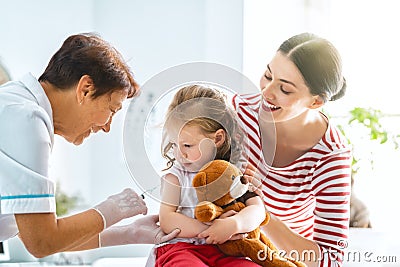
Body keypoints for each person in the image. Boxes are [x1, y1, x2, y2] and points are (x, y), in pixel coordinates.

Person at [0, 33, 179, 258]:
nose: (107, 127)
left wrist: (130, 233)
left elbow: (32, 230)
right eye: (112, 110)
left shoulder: (16, 105)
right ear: (85, 89)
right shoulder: (27, 119)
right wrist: (112, 210)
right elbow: (41, 241)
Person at [232, 33, 352, 267]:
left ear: (315, 102)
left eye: (284, 89)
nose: (266, 92)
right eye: (268, 75)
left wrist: (259, 211)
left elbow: (331, 260)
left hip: (281, 259)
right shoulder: (240, 112)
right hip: (228, 246)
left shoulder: (330, 156)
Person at [153, 85, 266, 266]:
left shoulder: (234, 172)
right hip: (183, 248)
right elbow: (167, 219)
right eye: (174, 144)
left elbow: (258, 210)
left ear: (217, 139)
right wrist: (210, 229)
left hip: (227, 251)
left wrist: (235, 224)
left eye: (187, 145)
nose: (179, 154)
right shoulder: (176, 176)